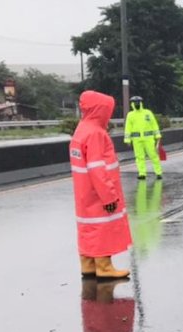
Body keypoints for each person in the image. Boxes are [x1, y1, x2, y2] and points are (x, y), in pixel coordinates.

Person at [71, 90, 132, 279]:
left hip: (84, 192)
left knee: (88, 227)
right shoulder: (96, 134)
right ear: (100, 110)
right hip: (99, 193)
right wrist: (109, 196)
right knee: (102, 227)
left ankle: (88, 264)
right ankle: (104, 267)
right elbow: (98, 169)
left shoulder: (81, 130)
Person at [124, 95, 163, 180]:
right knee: (139, 157)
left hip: (148, 138)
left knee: (153, 155)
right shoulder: (130, 115)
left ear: (141, 103)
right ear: (132, 104)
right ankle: (142, 173)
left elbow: (154, 125)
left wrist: (158, 136)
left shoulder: (147, 113)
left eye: (138, 102)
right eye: (135, 102)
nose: (136, 104)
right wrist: (127, 140)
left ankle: (158, 173)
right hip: (136, 139)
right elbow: (128, 128)